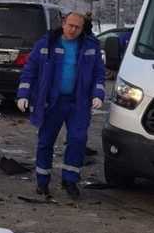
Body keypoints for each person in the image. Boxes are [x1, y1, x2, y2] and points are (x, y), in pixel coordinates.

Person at [16, 12, 106, 198]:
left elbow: (99, 72)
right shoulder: (47, 43)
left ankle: (70, 180)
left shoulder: (89, 46)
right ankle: (43, 181)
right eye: (70, 25)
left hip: (78, 102)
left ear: (82, 29)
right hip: (52, 102)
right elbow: (30, 70)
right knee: (45, 142)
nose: (73, 30)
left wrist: (97, 94)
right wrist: (23, 94)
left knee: (78, 140)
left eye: (77, 27)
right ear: (63, 24)